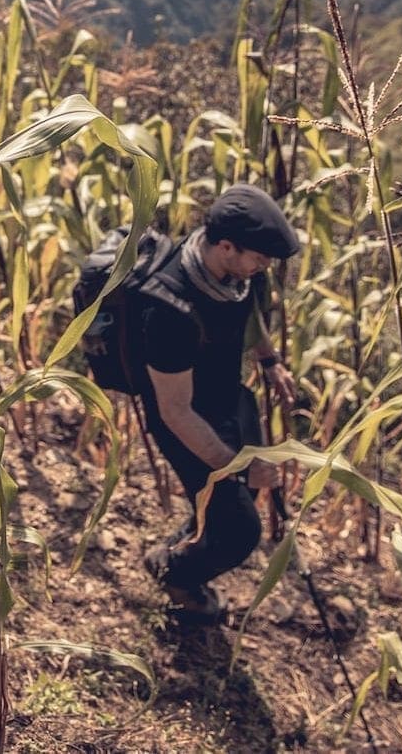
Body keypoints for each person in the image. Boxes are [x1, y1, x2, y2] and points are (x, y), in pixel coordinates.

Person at [134, 183, 299, 621]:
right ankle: (174, 573)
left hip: (227, 398)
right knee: (241, 530)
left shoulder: (236, 276)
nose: (264, 267)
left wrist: (269, 361)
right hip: (184, 422)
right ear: (226, 246)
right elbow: (175, 412)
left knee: (227, 506)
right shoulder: (168, 308)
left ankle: (189, 538)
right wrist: (238, 466)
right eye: (259, 258)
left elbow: (248, 313)